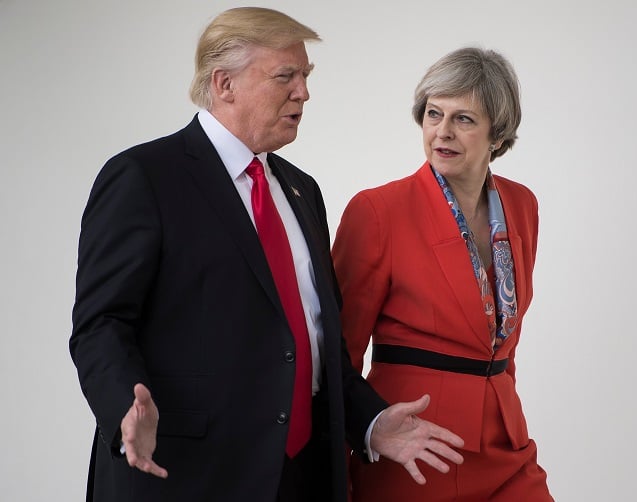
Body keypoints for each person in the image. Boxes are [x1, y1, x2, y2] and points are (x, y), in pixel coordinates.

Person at [69, 7, 465, 502]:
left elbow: (319, 343)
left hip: (301, 478)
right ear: (224, 84)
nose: (303, 92)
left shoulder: (302, 191)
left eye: (305, 76)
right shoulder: (144, 177)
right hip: (186, 474)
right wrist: (123, 404)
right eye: (286, 76)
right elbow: (100, 323)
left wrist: (370, 421)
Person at [332, 47, 553, 501]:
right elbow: (339, 353)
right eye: (434, 114)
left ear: (498, 134)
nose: (442, 132)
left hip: (506, 445)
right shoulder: (378, 211)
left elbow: (501, 335)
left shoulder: (522, 205)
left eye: (464, 119)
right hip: (417, 444)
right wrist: (345, 456)